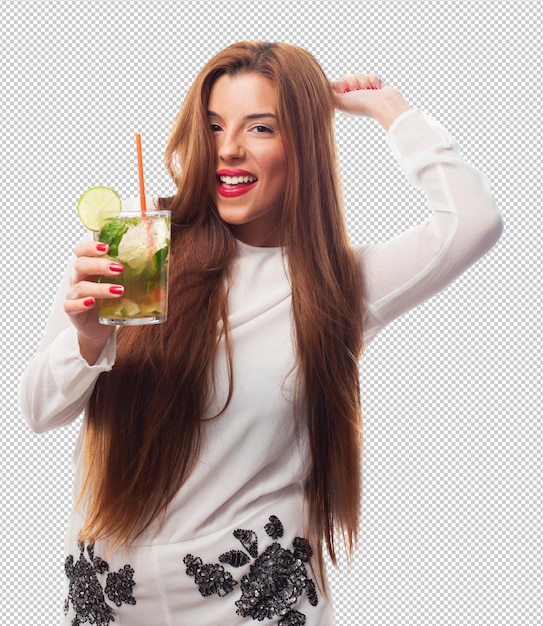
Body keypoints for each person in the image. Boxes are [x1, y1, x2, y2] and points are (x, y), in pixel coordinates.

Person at [19, 41, 503, 626]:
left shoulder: (336, 285)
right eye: (216, 126)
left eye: (261, 128)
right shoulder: (139, 252)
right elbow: (40, 411)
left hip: (254, 600)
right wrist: (88, 341)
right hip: (115, 598)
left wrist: (394, 113)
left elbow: (472, 222)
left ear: (303, 145)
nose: (228, 149)